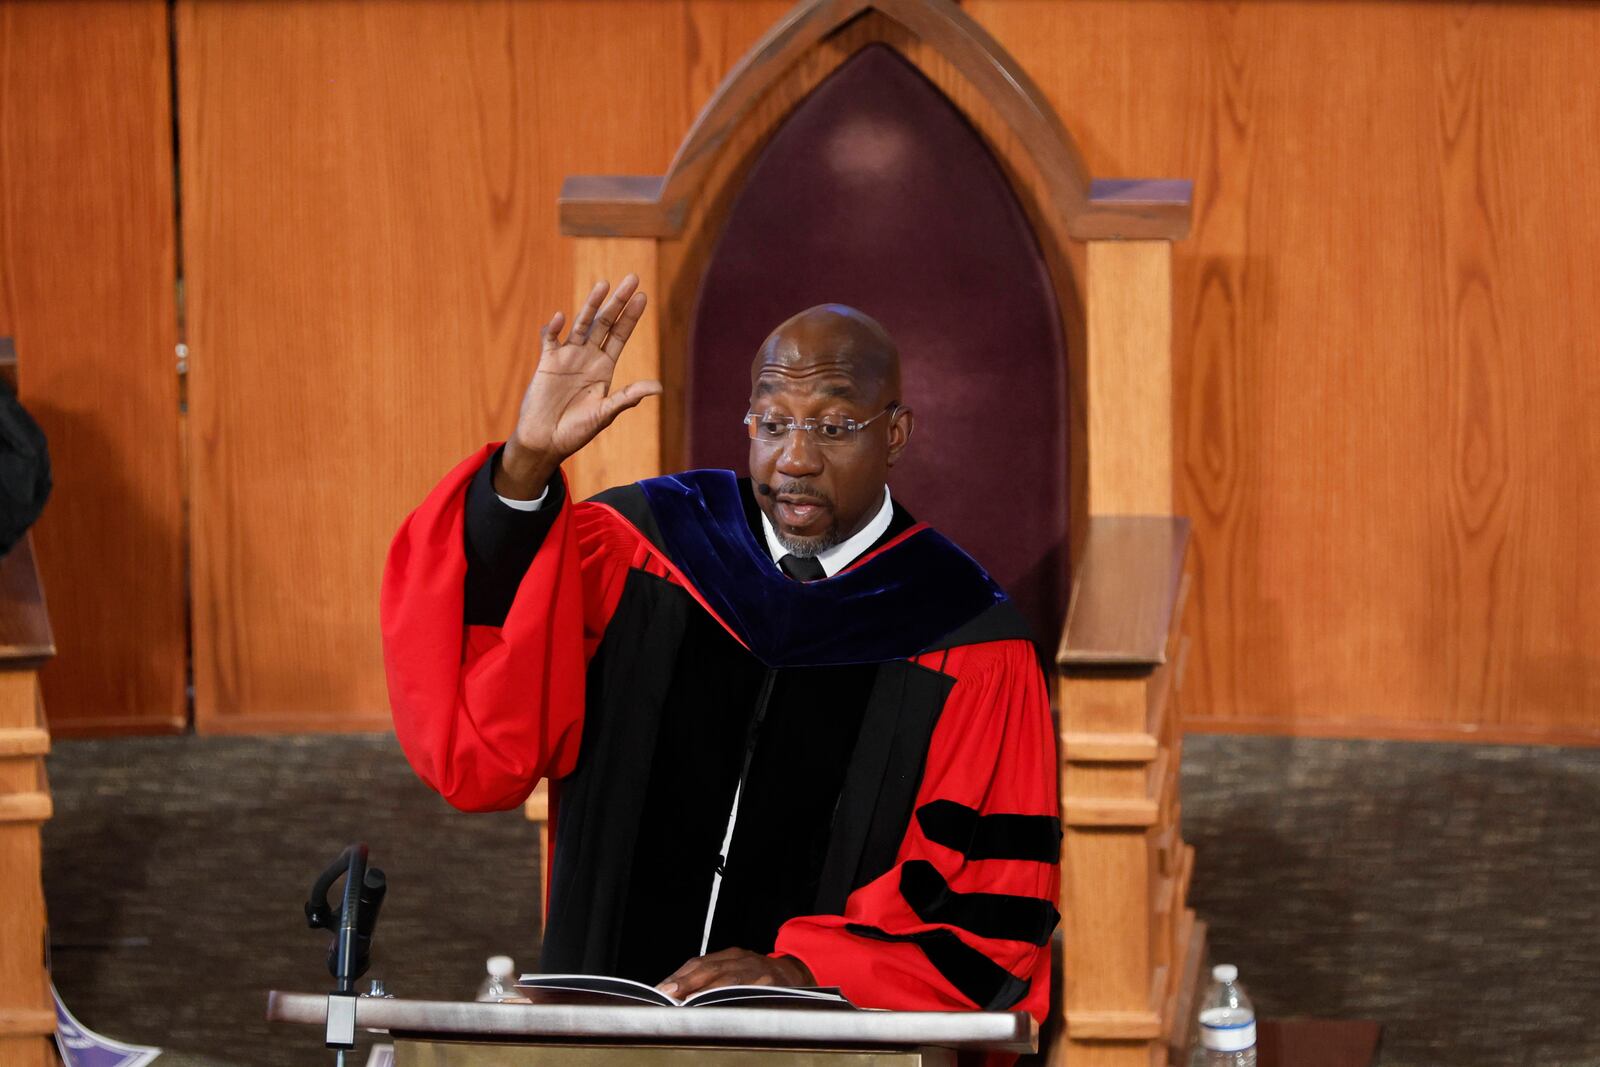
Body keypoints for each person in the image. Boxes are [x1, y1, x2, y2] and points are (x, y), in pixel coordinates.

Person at [382, 275, 1060, 1024]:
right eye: (772, 423)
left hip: (822, 1048)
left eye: (833, 427)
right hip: (605, 1023)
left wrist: (804, 969)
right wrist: (525, 467)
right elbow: (482, 738)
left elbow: (991, 912)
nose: (794, 458)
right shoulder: (645, 549)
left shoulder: (967, 637)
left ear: (894, 433)